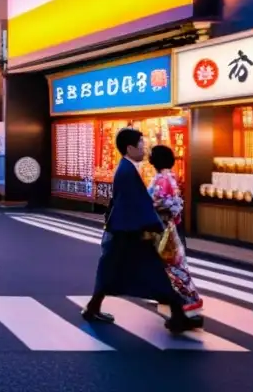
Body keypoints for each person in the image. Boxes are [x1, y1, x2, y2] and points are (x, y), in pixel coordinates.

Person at [81, 128, 202, 334]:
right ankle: (178, 315)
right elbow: (137, 204)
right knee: (151, 274)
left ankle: (93, 307)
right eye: (140, 144)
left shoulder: (126, 168)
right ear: (129, 148)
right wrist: (153, 225)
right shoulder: (127, 171)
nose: (144, 148)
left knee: (115, 272)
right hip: (130, 233)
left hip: (126, 231)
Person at [148, 145, 202, 318]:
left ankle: (187, 301)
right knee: (173, 265)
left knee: (173, 266)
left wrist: (150, 203)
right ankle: (178, 302)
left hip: (164, 228)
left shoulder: (162, 178)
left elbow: (159, 201)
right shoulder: (169, 176)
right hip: (169, 226)